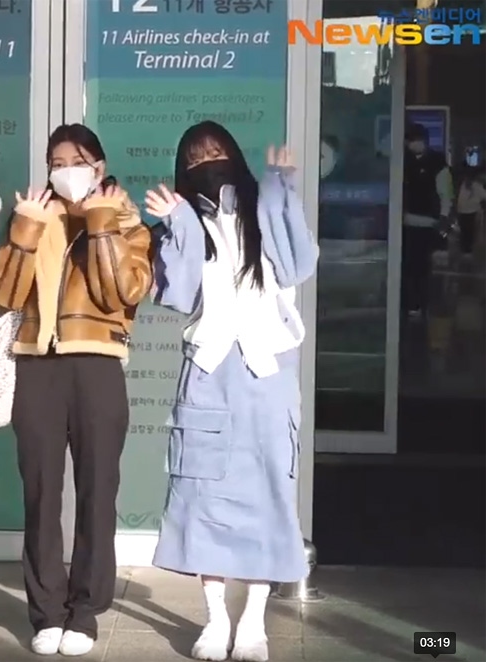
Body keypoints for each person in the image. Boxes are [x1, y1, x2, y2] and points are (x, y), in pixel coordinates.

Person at [145, 121, 318, 662]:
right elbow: (177, 293)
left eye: (216, 151)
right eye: (196, 156)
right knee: (203, 500)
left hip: (267, 375)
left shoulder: (264, 208)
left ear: (236, 157)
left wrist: (281, 189)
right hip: (208, 375)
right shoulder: (186, 220)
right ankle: (217, 620)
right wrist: (173, 221)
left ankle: (255, 626)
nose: (208, 161)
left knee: (269, 495)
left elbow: (299, 264)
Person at [0, 123, 153, 657]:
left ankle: (85, 611)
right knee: (39, 493)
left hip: (98, 365)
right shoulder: (38, 217)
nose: (65, 170)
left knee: (97, 491)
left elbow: (119, 293)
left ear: (99, 167)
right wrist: (25, 229)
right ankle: (46, 611)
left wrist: (102, 221)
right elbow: (4, 294)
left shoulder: (129, 223)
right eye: (56, 160)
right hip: (38, 365)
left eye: (76, 159)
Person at [401, 123, 454, 318]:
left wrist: (443, 217)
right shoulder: (403, 160)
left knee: (419, 266)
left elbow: (445, 193)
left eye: (414, 141)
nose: (411, 145)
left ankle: (417, 303)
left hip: (425, 222)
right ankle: (410, 303)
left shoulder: (437, 163)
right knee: (409, 265)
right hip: (406, 221)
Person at [454, 162, 485, 258]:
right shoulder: (476, 186)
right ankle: (467, 252)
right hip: (470, 212)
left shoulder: (463, 185)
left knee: (466, 232)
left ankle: (465, 251)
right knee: (469, 232)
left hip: (465, 212)